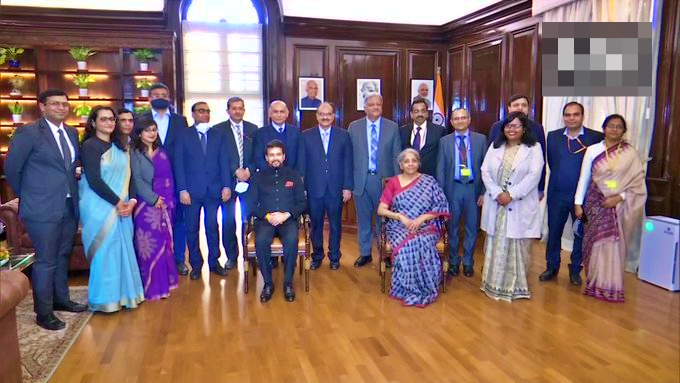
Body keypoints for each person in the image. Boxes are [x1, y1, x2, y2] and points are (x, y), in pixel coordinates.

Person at [4, 89, 86, 330]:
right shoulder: (28, 133)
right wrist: (29, 196)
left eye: (64, 104)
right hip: (41, 208)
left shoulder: (71, 133)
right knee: (46, 260)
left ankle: (61, 299)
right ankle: (43, 312)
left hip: (69, 205)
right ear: (42, 107)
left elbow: (69, 168)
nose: (61, 108)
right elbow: (12, 169)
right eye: (55, 104)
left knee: (62, 255)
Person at [574, 114, 646, 303]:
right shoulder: (592, 150)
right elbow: (584, 178)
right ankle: (595, 283)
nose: (614, 129)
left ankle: (612, 286)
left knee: (614, 244)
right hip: (595, 203)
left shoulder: (630, 153)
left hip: (619, 206)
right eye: (611, 126)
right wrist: (578, 203)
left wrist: (618, 198)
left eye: (619, 126)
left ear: (624, 130)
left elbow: (638, 186)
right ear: (603, 128)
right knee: (595, 242)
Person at [79, 106, 145, 312]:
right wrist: (118, 203)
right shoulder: (90, 146)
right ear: (93, 123)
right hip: (100, 207)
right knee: (105, 252)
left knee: (123, 249)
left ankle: (125, 296)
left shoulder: (121, 146)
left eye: (112, 119)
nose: (109, 123)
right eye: (104, 119)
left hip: (123, 205)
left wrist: (131, 202)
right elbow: (94, 180)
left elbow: (131, 177)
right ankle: (105, 299)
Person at [479, 111, 544, 301]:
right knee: (494, 242)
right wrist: (497, 193)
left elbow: (534, 176)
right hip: (496, 203)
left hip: (519, 204)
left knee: (518, 244)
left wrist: (512, 194)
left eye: (516, 126)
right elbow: (485, 171)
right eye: (508, 125)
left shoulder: (534, 148)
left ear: (524, 129)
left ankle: (515, 287)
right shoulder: (495, 146)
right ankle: (492, 284)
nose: (511, 129)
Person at [540, 102, 604, 285]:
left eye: (575, 114)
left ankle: (576, 269)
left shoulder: (595, 137)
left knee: (580, 234)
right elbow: (552, 163)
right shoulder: (552, 137)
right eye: (568, 115)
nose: (571, 118)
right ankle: (551, 267)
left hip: (583, 197)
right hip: (557, 194)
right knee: (554, 233)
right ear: (563, 117)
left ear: (582, 116)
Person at [377, 149, 449, 307]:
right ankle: (406, 288)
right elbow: (381, 209)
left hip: (426, 226)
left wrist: (422, 217)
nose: (410, 164)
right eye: (406, 161)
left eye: (414, 160)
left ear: (418, 163)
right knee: (407, 244)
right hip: (399, 226)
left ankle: (424, 287)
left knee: (420, 241)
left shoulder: (429, 181)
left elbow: (441, 205)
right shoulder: (394, 182)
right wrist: (399, 216)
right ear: (401, 165)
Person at [174, 102, 232, 280]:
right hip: (191, 193)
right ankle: (196, 266)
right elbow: (179, 165)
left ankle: (214, 263)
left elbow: (224, 162)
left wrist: (227, 185)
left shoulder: (218, 135)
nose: (205, 114)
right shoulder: (184, 135)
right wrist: (182, 189)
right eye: (201, 111)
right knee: (192, 230)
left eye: (207, 111)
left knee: (212, 228)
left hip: (213, 191)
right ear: (193, 114)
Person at [138, 83, 190, 276]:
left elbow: (184, 150)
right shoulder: (141, 119)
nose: (160, 96)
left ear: (169, 98)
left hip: (175, 178)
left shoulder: (180, 121)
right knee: (151, 224)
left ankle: (178, 260)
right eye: (156, 94)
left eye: (164, 94)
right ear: (149, 98)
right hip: (148, 179)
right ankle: (154, 262)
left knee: (178, 220)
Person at [248, 140, 307, 303]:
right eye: (272, 155)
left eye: (278, 154)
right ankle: (268, 283)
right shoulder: (258, 177)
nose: (275, 158)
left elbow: (302, 203)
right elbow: (250, 204)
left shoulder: (293, 175)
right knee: (261, 241)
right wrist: (268, 216)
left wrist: (286, 214)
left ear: (284, 156)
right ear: (267, 158)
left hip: (288, 220)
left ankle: (288, 283)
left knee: (290, 241)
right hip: (265, 220)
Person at [348, 93, 402, 267]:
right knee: (363, 221)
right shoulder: (354, 127)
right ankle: (365, 254)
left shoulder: (392, 127)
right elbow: (348, 157)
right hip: (361, 181)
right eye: (371, 105)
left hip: (384, 182)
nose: (375, 107)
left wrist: (396, 184)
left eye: (378, 104)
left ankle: (385, 253)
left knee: (383, 221)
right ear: (365, 107)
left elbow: (396, 156)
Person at [298, 102, 353, 270]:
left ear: (333, 116)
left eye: (328, 114)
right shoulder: (306, 136)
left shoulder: (343, 135)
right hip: (314, 188)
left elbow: (348, 163)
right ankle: (317, 255)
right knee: (316, 225)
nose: (325, 117)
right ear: (317, 116)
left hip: (336, 189)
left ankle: (335, 257)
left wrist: (347, 187)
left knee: (336, 225)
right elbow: (302, 164)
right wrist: (303, 188)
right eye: (322, 114)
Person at [130, 116, 179, 300]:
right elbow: (138, 180)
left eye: (154, 130)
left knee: (164, 244)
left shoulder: (163, 152)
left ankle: (164, 285)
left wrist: (167, 200)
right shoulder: (134, 153)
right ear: (140, 133)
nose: (152, 133)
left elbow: (170, 178)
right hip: (145, 205)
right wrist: (153, 198)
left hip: (165, 204)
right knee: (148, 246)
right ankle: (150, 287)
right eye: (148, 130)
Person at [436, 108, 487, 278]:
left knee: (472, 228)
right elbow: (441, 168)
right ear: (451, 122)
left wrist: (483, 192)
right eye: (456, 118)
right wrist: (441, 194)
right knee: (453, 228)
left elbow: (486, 168)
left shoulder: (481, 140)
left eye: (463, 117)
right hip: (453, 189)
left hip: (473, 189)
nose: (460, 121)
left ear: (469, 119)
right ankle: (453, 262)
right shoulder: (444, 141)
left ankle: (468, 262)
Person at [213, 96, 258, 270]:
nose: (238, 111)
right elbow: (218, 156)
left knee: (249, 220)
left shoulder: (253, 129)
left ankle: (251, 254)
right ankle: (232, 256)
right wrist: (235, 170)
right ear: (228, 110)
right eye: (234, 108)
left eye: (241, 108)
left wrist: (249, 170)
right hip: (228, 183)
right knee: (228, 221)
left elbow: (258, 154)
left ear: (244, 110)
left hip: (249, 182)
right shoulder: (218, 130)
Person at [487, 94, 547, 198]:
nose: (520, 108)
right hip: (498, 187)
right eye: (516, 105)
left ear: (528, 109)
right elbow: (488, 160)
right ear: (509, 108)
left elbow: (541, 162)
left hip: (526, 189)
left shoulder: (537, 128)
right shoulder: (497, 127)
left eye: (524, 105)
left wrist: (540, 188)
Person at [399, 98, 446, 177]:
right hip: (408, 176)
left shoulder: (439, 131)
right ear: (411, 114)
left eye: (423, 111)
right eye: (416, 111)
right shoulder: (402, 131)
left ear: (427, 113)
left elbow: (442, 158)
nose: (420, 114)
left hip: (430, 177)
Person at [253, 100, 301, 172]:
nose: (279, 115)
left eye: (282, 112)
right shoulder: (260, 133)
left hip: (291, 176)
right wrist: (271, 174)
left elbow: (299, 157)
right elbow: (258, 157)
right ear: (270, 113)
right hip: (268, 177)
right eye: (275, 112)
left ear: (287, 113)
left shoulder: (296, 132)